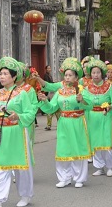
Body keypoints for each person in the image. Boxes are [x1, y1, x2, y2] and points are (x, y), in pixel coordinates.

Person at [0, 57, 37, 207]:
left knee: (21, 167)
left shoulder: (21, 94)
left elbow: (30, 112)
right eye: (1, 74)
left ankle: (25, 195)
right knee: (0, 167)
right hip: (1, 132)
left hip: (17, 132)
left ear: (13, 77)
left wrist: (18, 116)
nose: (2, 76)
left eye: (5, 74)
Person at [38, 58, 91, 187]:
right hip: (63, 123)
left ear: (76, 77)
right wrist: (45, 100)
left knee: (77, 148)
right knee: (63, 149)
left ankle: (79, 178)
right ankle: (64, 177)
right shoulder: (60, 91)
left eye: (70, 75)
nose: (67, 78)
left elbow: (90, 106)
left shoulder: (82, 90)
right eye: (66, 75)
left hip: (77, 122)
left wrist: (82, 100)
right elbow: (52, 108)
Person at [82, 58, 112, 177]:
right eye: (93, 73)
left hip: (106, 117)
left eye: (98, 72)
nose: (96, 75)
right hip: (92, 118)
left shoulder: (109, 87)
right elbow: (83, 103)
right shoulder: (86, 88)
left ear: (102, 74)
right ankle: (99, 167)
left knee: (107, 142)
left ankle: (109, 166)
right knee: (95, 143)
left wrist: (110, 107)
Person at [42, 65, 58, 130]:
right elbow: (49, 84)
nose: (49, 69)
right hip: (49, 92)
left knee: (56, 110)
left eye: (50, 68)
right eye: (48, 68)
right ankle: (48, 125)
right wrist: (55, 83)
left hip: (52, 92)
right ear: (46, 69)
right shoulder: (46, 75)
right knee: (50, 109)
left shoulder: (50, 75)